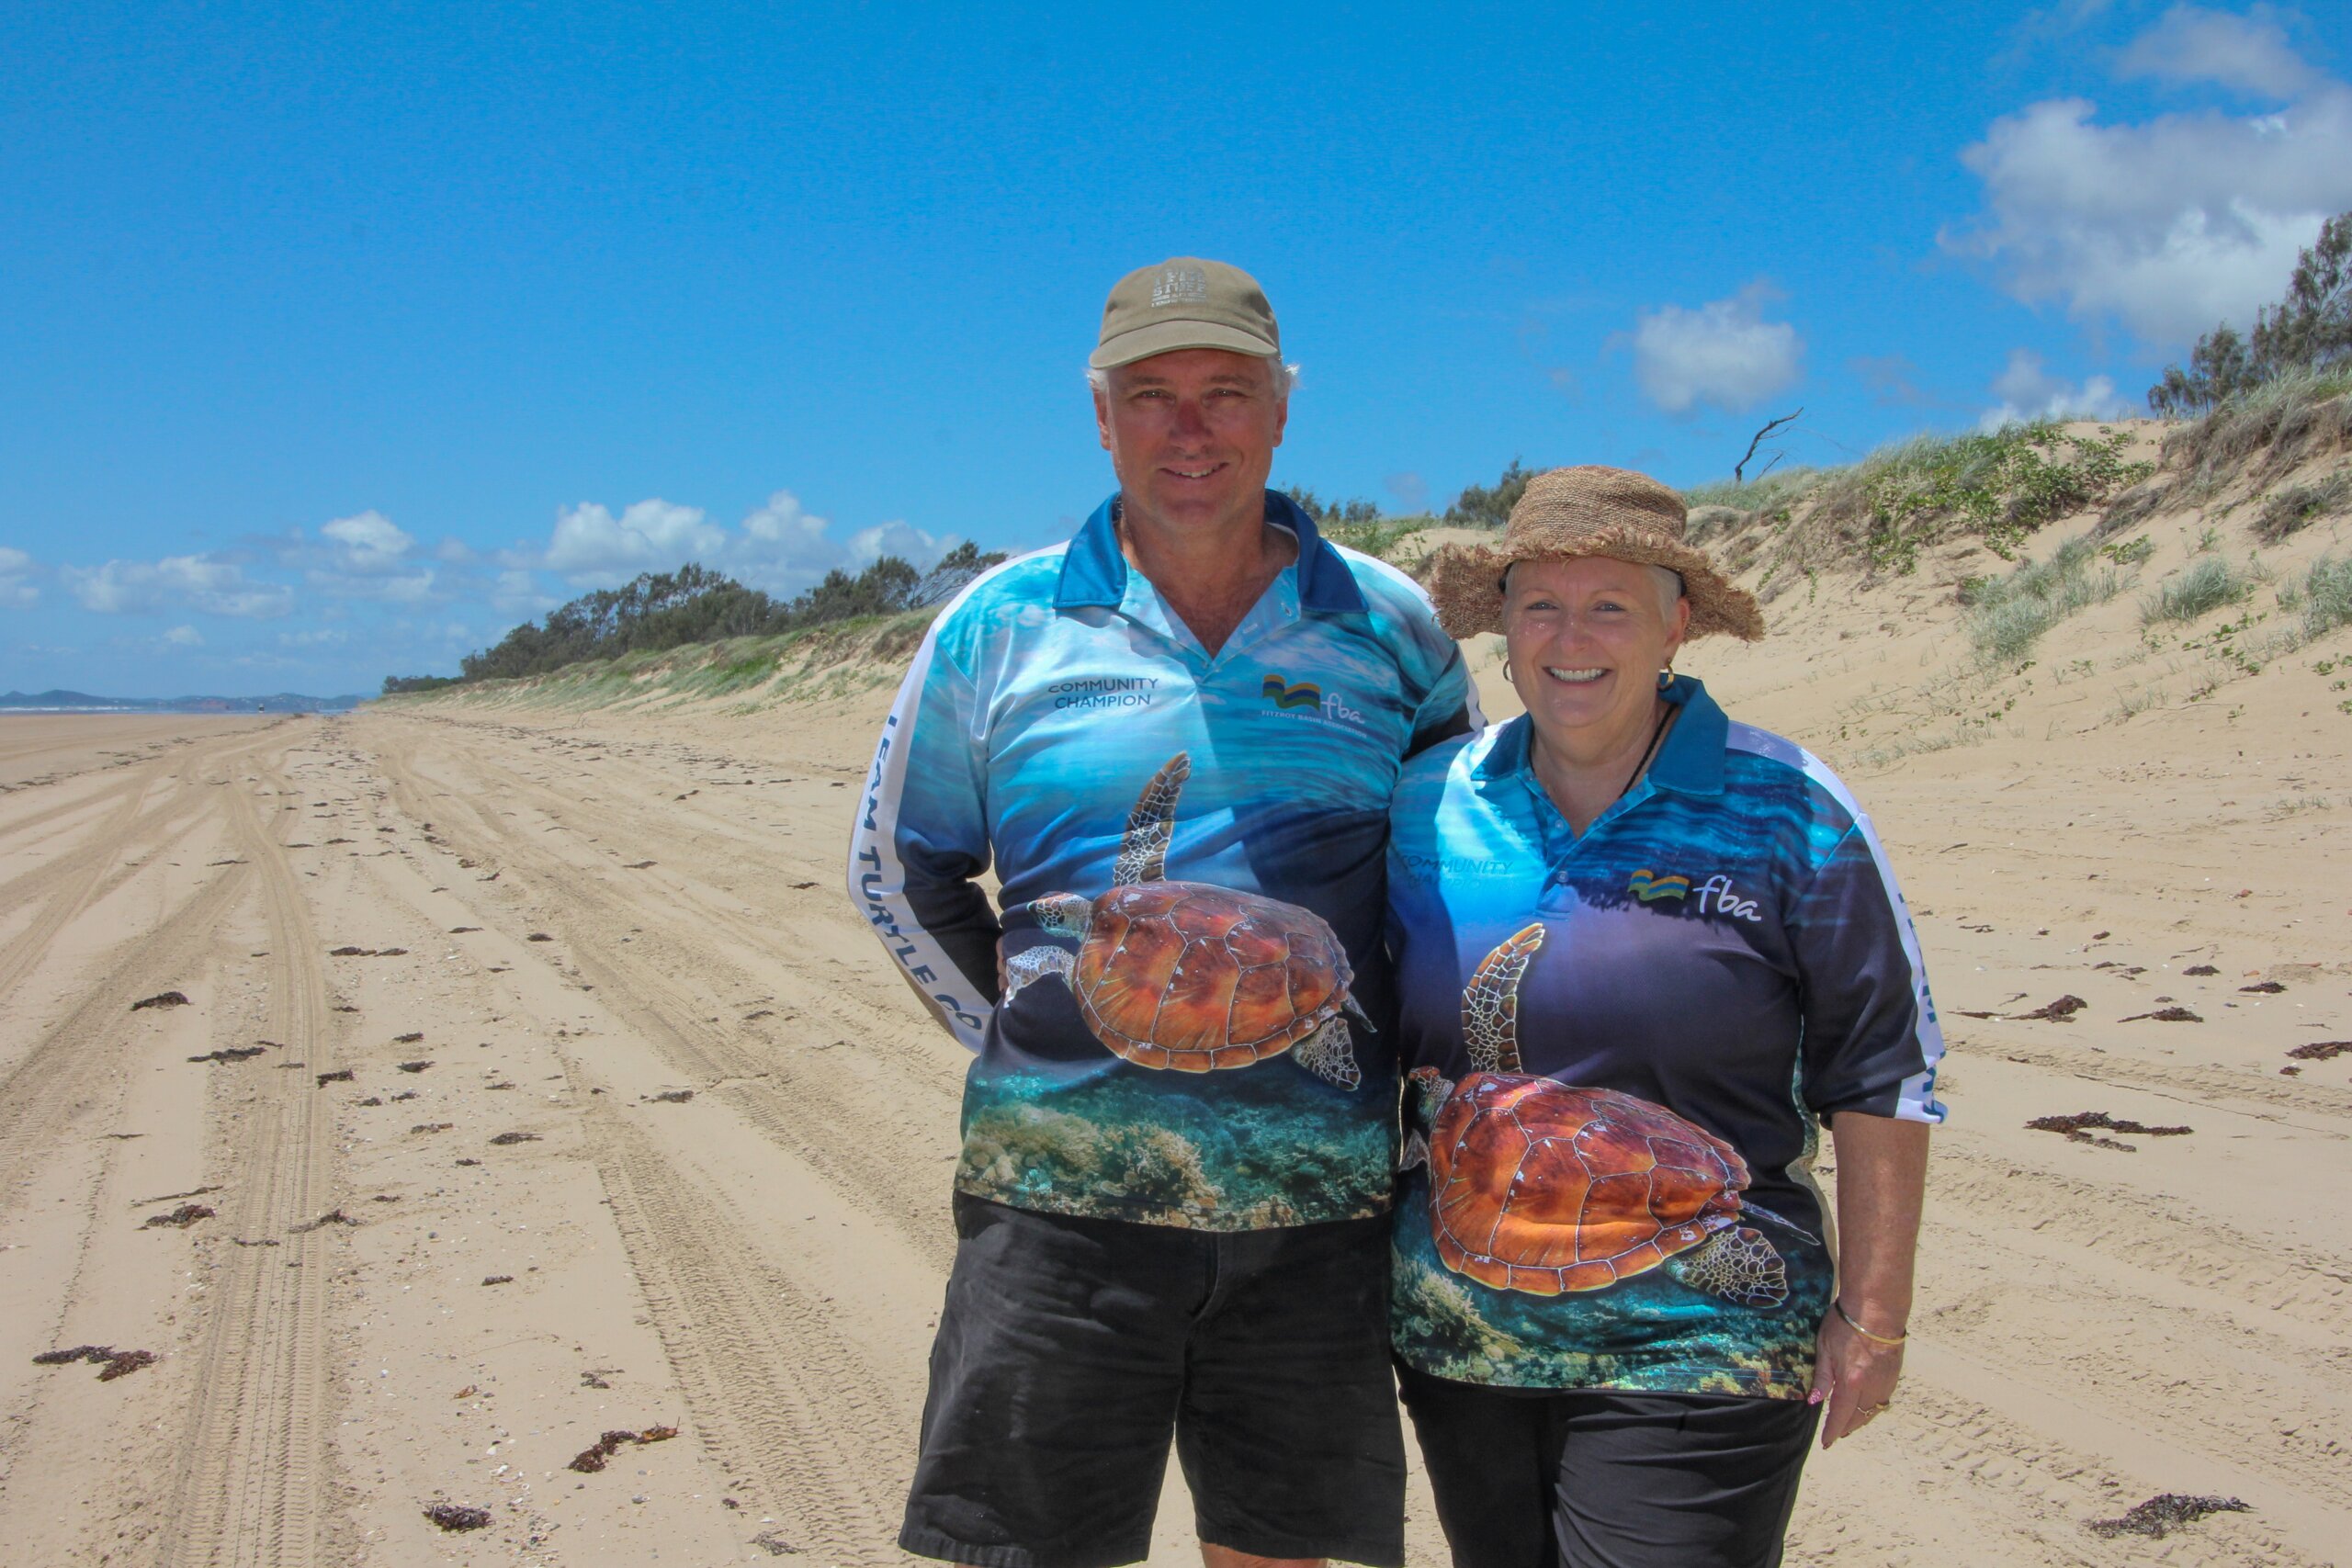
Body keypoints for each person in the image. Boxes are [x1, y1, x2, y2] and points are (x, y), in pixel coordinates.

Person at [849, 256, 1478, 1568]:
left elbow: (1448, 882)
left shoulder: (1392, 626)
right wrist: (1033, 1032)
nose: (1189, 428)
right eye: (1151, 395)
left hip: (1315, 1211)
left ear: (1282, 406)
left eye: (1225, 391)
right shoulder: (999, 623)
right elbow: (899, 871)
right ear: (1100, 414)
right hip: (1057, 1201)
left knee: (1278, 1549)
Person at [1385, 465, 1945, 1568]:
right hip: (1463, 1335)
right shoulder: (1425, 802)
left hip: (1705, 1330)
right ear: (1501, 621)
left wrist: (1874, 1316)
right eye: (1540, 604)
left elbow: (1883, 1068)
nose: (1570, 638)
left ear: (1676, 624)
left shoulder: (1786, 806)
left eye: (1610, 606)